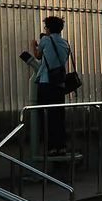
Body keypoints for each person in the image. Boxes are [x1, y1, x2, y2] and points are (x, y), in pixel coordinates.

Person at [31, 16, 70, 156]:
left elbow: (37, 55)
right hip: (59, 84)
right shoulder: (65, 43)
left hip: (46, 83)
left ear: (48, 28)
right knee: (58, 116)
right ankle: (62, 146)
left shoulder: (45, 40)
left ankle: (51, 147)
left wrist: (33, 45)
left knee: (44, 116)